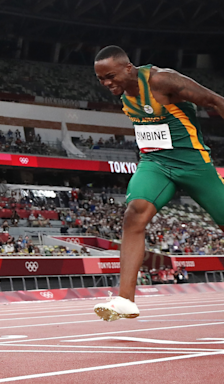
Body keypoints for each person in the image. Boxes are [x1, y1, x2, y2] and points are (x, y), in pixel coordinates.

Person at [93, 45, 224, 321]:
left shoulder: (161, 80)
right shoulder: (124, 95)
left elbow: (215, 101)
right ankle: (125, 300)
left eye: (110, 76)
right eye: (101, 79)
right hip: (155, 164)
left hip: (193, 163)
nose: (106, 83)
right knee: (133, 214)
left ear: (129, 67)